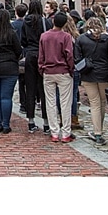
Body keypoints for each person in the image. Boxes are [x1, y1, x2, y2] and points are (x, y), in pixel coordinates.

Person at [38, 12, 76, 142]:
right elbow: (69, 55)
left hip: (48, 71)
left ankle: (54, 132)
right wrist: (71, 69)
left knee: (50, 102)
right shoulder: (66, 37)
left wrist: (41, 68)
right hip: (63, 71)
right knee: (65, 103)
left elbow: (41, 55)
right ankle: (66, 133)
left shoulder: (44, 36)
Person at [75, 16, 108, 144]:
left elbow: (77, 58)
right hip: (104, 73)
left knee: (94, 103)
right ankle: (99, 130)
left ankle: (97, 132)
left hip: (88, 73)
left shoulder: (81, 39)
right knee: (102, 103)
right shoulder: (107, 39)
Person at [19, 0, 47, 133]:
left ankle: (31, 121)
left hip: (30, 54)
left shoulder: (26, 22)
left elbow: (22, 40)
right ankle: (46, 122)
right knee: (44, 89)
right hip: (43, 55)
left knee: (29, 88)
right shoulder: (45, 21)